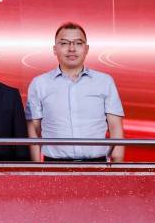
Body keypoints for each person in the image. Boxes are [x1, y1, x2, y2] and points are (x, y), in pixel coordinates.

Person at [25, 22, 125, 162]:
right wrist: (37, 169)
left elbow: (116, 130)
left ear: (86, 49)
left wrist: (118, 168)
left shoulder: (104, 82)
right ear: (54, 49)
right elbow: (33, 132)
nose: (71, 49)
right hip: (54, 166)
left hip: (97, 165)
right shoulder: (39, 83)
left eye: (78, 43)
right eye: (64, 43)